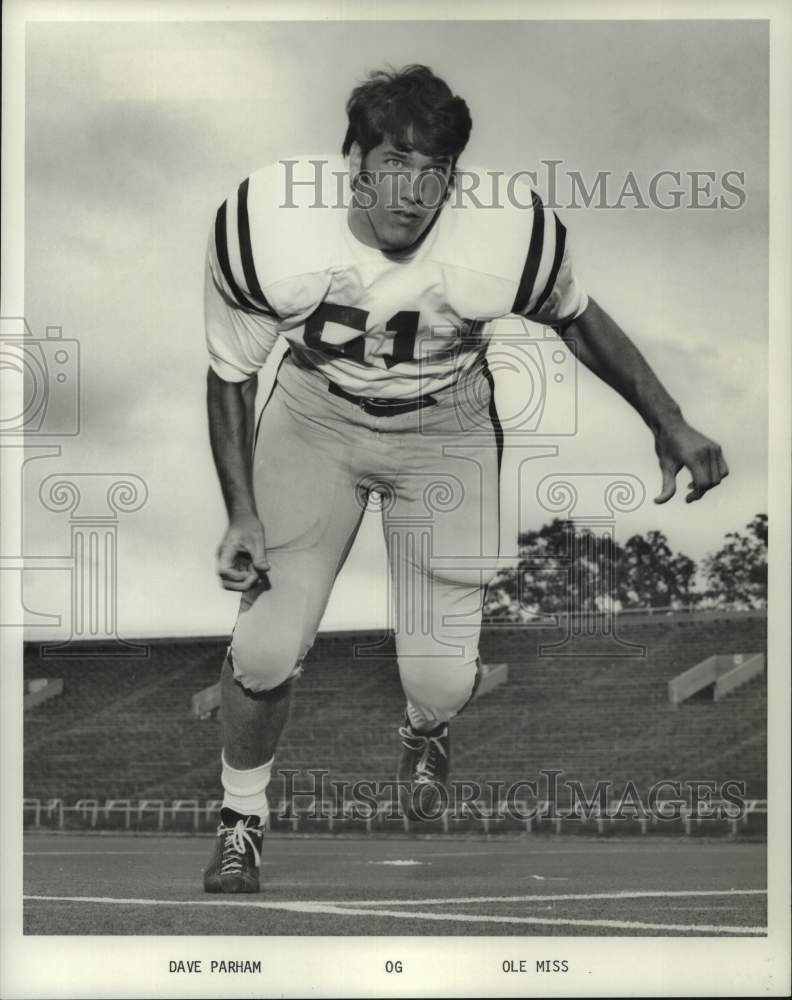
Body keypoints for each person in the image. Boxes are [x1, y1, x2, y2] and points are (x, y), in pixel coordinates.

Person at [202, 64, 728, 893]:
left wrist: (667, 418)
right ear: (356, 161)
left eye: (434, 173)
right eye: (393, 164)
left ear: (455, 178)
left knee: (442, 677)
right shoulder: (271, 225)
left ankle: (424, 728)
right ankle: (242, 819)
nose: (412, 192)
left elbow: (578, 320)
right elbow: (231, 372)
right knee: (264, 648)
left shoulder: (504, 231)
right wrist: (240, 512)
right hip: (313, 416)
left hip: (444, 427)